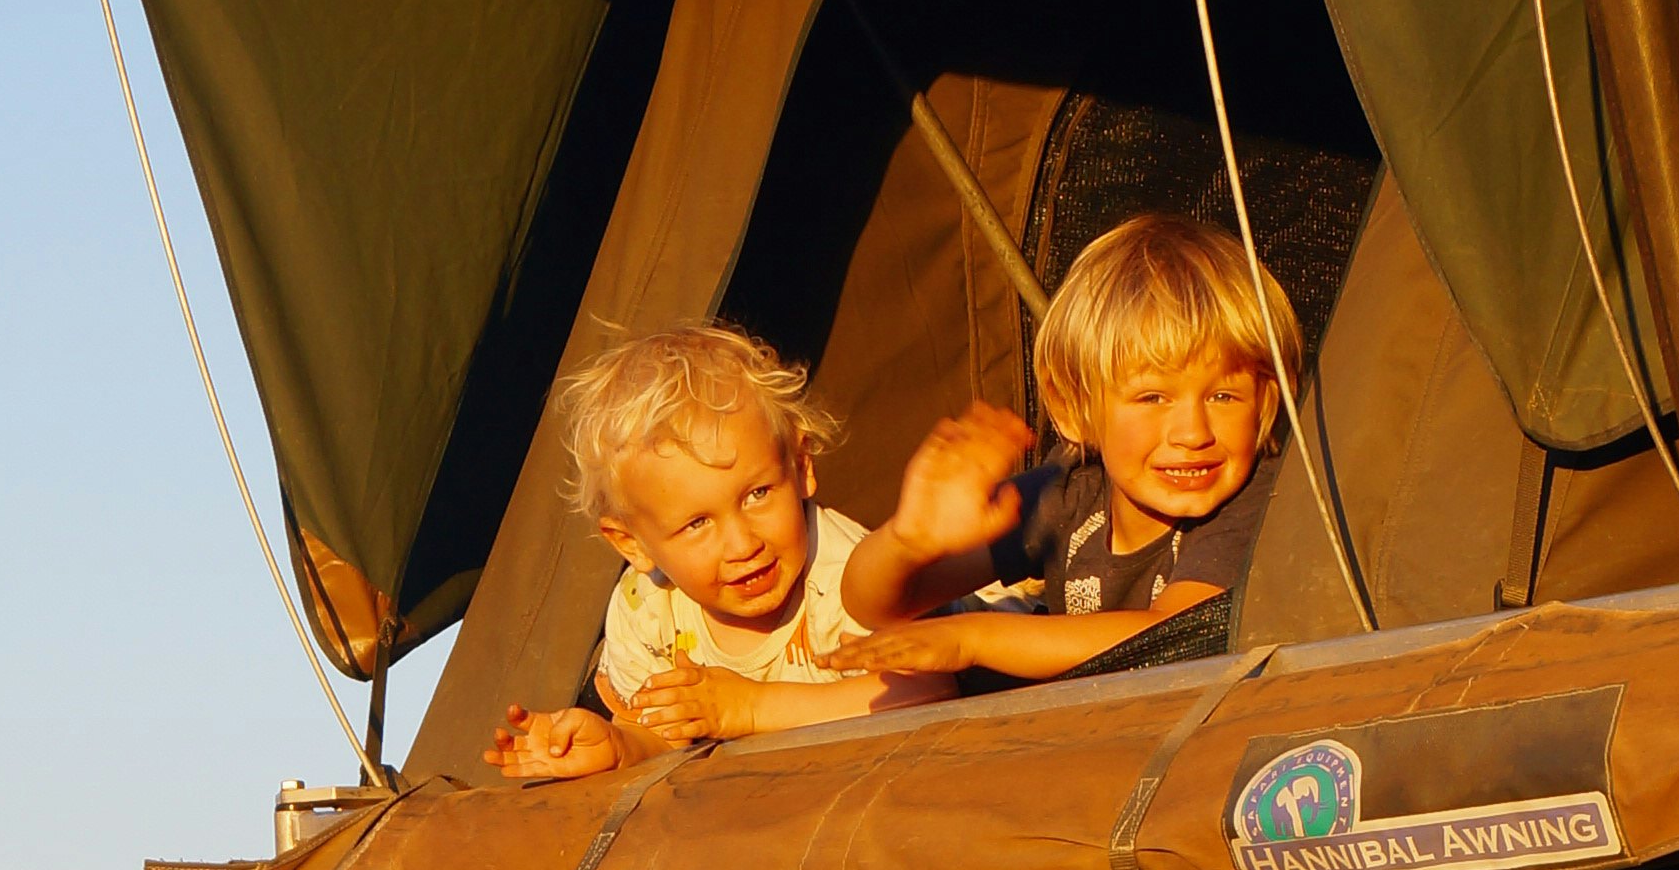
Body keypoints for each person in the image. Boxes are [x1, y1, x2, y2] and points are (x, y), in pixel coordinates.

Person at [487, 323, 1031, 784]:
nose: (743, 544)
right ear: (633, 544)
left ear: (800, 466)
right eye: (697, 523)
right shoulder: (645, 611)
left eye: (757, 495)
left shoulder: (840, 575)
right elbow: (667, 734)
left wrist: (747, 709)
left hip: (1008, 665)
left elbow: (929, 690)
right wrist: (618, 745)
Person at [841, 215, 1300, 691]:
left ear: (1268, 400)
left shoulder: (1257, 502)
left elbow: (1174, 632)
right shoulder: (1071, 489)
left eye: (1222, 397)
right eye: (1152, 398)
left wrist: (971, 638)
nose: (1192, 433)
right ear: (1072, 409)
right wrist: (907, 543)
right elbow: (875, 605)